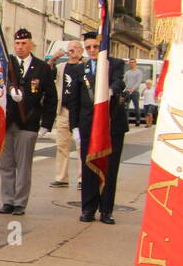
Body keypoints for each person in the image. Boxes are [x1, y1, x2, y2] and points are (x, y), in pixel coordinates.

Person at [65, 31, 127, 224]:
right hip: (87, 126)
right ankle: (88, 209)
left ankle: (106, 210)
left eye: (96, 47)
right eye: (89, 47)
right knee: (88, 167)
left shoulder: (114, 64)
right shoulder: (79, 70)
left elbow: (119, 81)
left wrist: (110, 90)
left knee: (110, 167)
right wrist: (74, 127)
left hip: (111, 125)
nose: (92, 50)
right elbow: (72, 101)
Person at [0, 28, 57, 216]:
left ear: (31, 44)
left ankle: (20, 202)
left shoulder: (41, 67)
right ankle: (7, 200)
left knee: (23, 166)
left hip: (28, 122)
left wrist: (46, 124)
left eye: (24, 43)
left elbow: (51, 97)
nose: (20, 47)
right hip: (6, 122)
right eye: (17, 43)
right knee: (6, 164)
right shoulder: (6, 65)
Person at [48, 40, 83, 188]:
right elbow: (47, 74)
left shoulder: (85, 67)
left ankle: (83, 179)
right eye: (70, 48)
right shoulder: (62, 67)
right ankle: (61, 178)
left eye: (75, 48)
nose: (72, 50)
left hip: (80, 112)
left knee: (82, 146)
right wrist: (53, 59)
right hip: (63, 110)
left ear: (81, 51)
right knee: (62, 145)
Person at [123, 58, 144, 127]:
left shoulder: (139, 72)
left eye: (132, 62)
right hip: (127, 91)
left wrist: (133, 89)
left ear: (135, 63)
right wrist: (124, 89)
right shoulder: (127, 72)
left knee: (136, 107)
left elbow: (138, 82)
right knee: (126, 107)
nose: (131, 64)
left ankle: (138, 120)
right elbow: (124, 81)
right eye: (130, 62)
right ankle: (126, 121)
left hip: (135, 92)